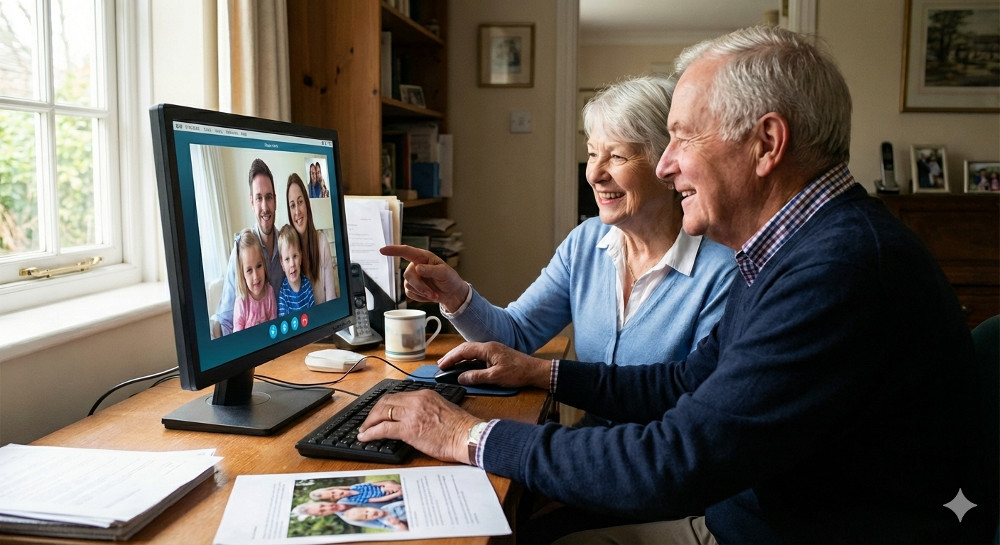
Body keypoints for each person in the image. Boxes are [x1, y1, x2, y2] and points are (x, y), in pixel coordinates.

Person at [358, 26, 997, 544]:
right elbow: (687, 382)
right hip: (741, 513)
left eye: (682, 136)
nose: (667, 165)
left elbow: (676, 458)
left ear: (767, 143)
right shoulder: (792, 247)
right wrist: (544, 374)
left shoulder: (839, 269)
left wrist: (464, 435)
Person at [381, 75, 736, 391]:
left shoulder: (721, 272)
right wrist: (454, 294)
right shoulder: (585, 243)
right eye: (592, 153)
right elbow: (516, 335)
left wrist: (541, 373)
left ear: (668, 166)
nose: (594, 173)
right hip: (590, 440)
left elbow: (696, 402)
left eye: (617, 157)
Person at [214, 158, 284, 336]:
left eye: (269, 197)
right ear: (252, 202)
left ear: (275, 201)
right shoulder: (241, 250)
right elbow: (226, 320)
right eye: (259, 198)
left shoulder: (285, 247)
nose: (265, 207)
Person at [287, 173, 336, 303]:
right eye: (292, 205)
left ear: (307, 204)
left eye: (300, 202)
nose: (297, 211)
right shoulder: (288, 250)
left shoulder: (321, 242)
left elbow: (331, 298)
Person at [232, 228, 277, 332]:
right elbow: (238, 338)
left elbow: (274, 326)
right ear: (242, 274)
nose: (256, 276)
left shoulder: (269, 292)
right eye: (249, 270)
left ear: (264, 264)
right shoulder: (241, 302)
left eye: (259, 266)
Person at [276, 224, 315, 316]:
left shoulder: (307, 285)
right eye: (287, 259)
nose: (292, 264)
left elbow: (314, 315)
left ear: (301, 257)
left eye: (295, 256)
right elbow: (284, 324)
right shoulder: (283, 294)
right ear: (282, 264)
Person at [309, 480, 403, 504]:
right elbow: (379, 499)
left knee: (389, 486)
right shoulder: (355, 499)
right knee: (393, 490)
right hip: (390, 496)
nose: (337, 494)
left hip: (387, 487)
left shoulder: (355, 487)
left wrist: (388, 484)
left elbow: (376, 484)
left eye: (333, 492)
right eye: (333, 496)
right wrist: (397, 494)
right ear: (335, 500)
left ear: (335, 488)